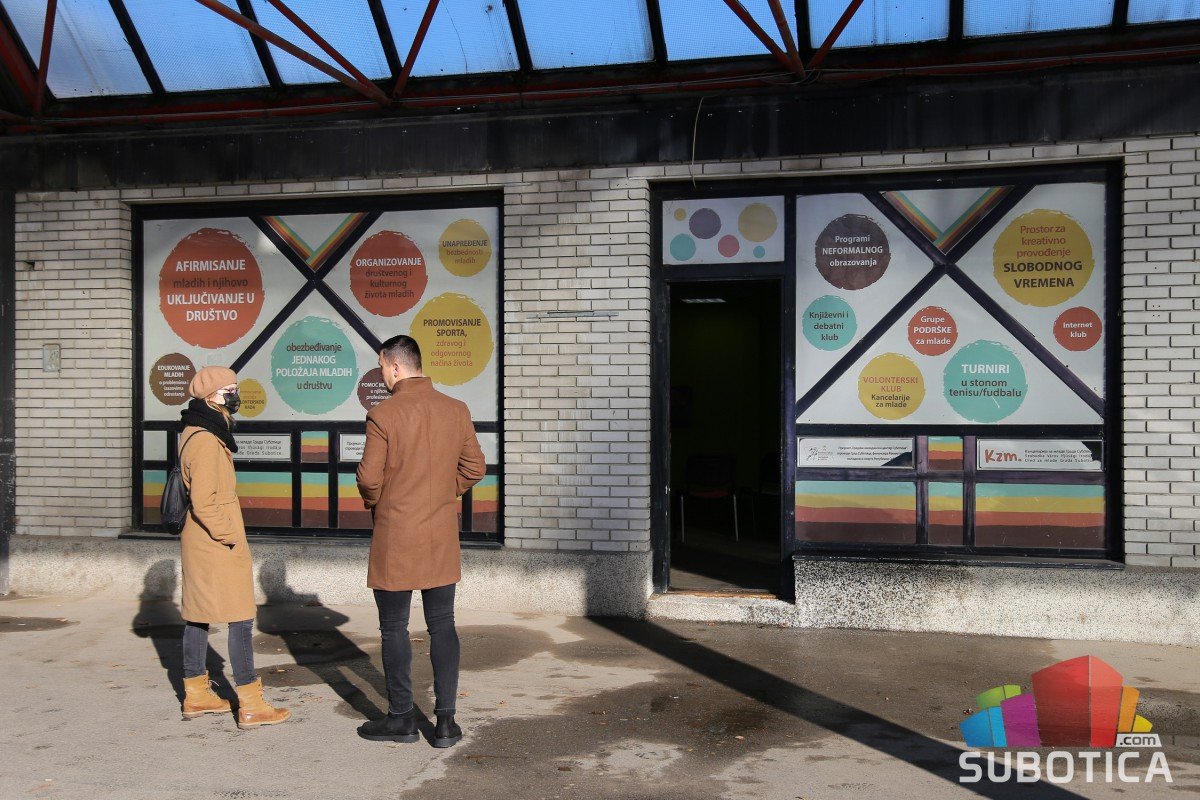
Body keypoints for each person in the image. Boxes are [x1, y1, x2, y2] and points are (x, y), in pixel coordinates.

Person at [356, 335, 485, 748]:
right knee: (442, 623)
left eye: (382, 366)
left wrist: (380, 502)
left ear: (395, 367)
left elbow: (368, 478)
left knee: (394, 626)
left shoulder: (383, 415)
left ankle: (401, 719)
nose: (381, 373)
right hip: (440, 534)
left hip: (396, 533)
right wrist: (445, 494)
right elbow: (475, 467)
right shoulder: (456, 409)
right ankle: (445, 723)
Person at [177, 365, 290, 730]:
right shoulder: (207, 440)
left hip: (201, 540)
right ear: (210, 396)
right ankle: (252, 704)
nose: (234, 395)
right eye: (229, 390)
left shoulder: (198, 430)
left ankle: (196, 694)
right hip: (215, 542)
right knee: (240, 616)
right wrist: (230, 536)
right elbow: (205, 501)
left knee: (198, 615)